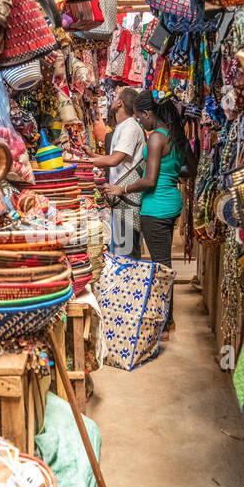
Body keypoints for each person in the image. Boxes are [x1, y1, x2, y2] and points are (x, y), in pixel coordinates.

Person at [99, 91, 189, 332]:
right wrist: (169, 174)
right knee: (164, 263)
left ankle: (165, 322)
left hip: (155, 207)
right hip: (171, 203)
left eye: (140, 118)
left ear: (148, 113)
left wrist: (123, 188)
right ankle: (167, 319)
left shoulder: (156, 138)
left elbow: (149, 180)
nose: (140, 122)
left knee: (160, 267)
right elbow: (188, 170)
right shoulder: (176, 136)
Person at [90, 86, 145, 258]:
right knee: (123, 251)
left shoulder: (130, 127)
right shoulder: (124, 127)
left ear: (120, 103)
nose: (113, 101)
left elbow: (115, 160)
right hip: (122, 199)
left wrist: (84, 162)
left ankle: (131, 277)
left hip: (127, 200)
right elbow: (113, 159)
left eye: (115, 98)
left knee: (126, 254)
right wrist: (91, 156)